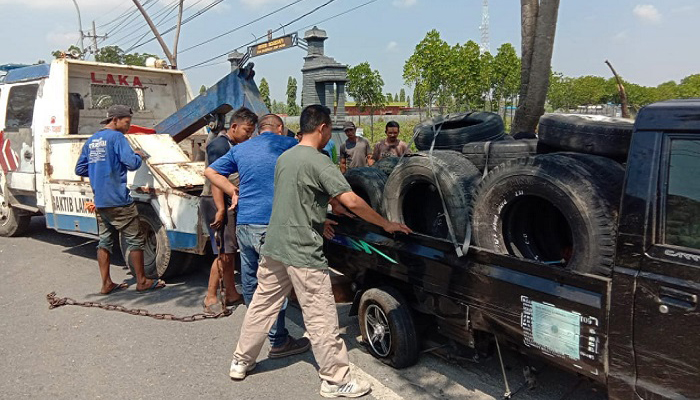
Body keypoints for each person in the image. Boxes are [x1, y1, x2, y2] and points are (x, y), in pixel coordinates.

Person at [227, 105, 412, 398]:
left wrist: (322, 214)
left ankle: (240, 361)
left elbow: (298, 195)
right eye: (329, 132)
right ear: (323, 128)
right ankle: (336, 380)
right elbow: (350, 200)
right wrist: (386, 223)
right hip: (302, 250)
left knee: (262, 305)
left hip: (275, 244)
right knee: (321, 316)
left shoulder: (285, 158)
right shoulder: (320, 161)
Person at [205, 113, 310, 358]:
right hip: (270, 225)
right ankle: (278, 339)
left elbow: (211, 172)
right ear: (280, 128)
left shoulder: (242, 148)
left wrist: (233, 191)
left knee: (251, 282)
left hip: (245, 225)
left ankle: (255, 335)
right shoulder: (288, 144)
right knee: (274, 284)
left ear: (258, 129)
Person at [75, 105, 165, 294]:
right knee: (135, 239)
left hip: (100, 200)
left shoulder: (92, 140)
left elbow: (80, 169)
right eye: (126, 122)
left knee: (104, 241)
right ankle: (142, 281)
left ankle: (106, 283)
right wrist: (138, 155)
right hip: (118, 200)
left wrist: (99, 168)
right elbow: (131, 164)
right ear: (115, 120)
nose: (128, 127)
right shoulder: (117, 138)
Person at [200, 107, 257, 314]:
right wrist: (221, 209)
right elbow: (216, 179)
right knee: (223, 252)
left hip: (228, 200)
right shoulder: (219, 145)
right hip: (216, 202)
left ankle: (231, 293)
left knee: (231, 251)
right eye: (246, 130)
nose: (249, 135)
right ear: (234, 126)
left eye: (251, 132)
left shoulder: (234, 145)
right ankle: (211, 297)